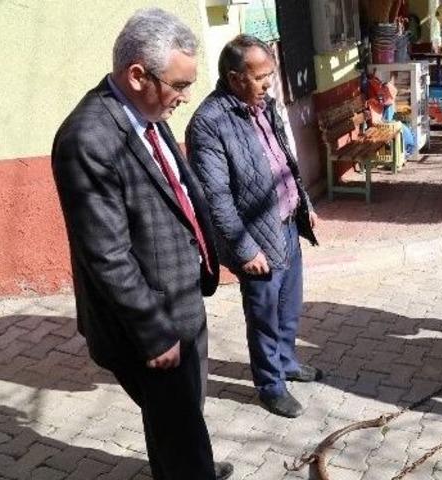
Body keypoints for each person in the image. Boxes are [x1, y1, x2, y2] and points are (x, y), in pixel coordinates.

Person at [51, 9, 232, 479]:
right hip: (148, 321)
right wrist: (153, 331)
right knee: (177, 421)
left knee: (180, 417)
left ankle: (192, 465)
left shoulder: (147, 109)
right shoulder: (87, 137)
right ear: (137, 75)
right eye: (179, 85)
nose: (185, 98)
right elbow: (105, 253)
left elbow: (176, 191)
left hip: (181, 298)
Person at [187, 35, 319, 419]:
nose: (268, 84)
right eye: (260, 77)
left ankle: (287, 361)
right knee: (264, 315)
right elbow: (216, 198)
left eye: (270, 75)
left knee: (290, 306)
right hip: (256, 239)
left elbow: (284, 162)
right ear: (234, 77)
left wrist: (304, 204)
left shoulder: (265, 106)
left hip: (288, 225)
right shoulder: (209, 124)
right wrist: (245, 250)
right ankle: (270, 385)